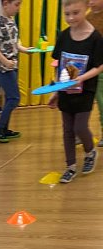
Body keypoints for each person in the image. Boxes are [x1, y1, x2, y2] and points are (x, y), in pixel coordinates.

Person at [50, 0, 103, 182]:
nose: (71, 18)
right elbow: (58, 64)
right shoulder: (63, 36)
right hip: (66, 91)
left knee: (79, 127)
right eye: (67, 14)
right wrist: (56, 90)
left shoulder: (95, 38)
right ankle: (70, 166)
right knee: (67, 130)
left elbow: (99, 66)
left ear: (86, 8)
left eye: (76, 13)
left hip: (85, 90)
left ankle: (90, 152)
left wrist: (81, 78)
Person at [0, 0, 32, 142]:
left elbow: (14, 42)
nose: (19, 8)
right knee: (14, 98)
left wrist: (25, 49)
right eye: (17, 4)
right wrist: (5, 62)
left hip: (11, 66)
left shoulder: (11, 20)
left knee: (10, 98)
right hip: (2, 68)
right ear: (5, 4)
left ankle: (4, 129)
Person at [89, 0, 103, 145]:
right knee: (83, 101)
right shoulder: (88, 17)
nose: (90, 2)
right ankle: (80, 132)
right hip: (89, 67)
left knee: (102, 101)